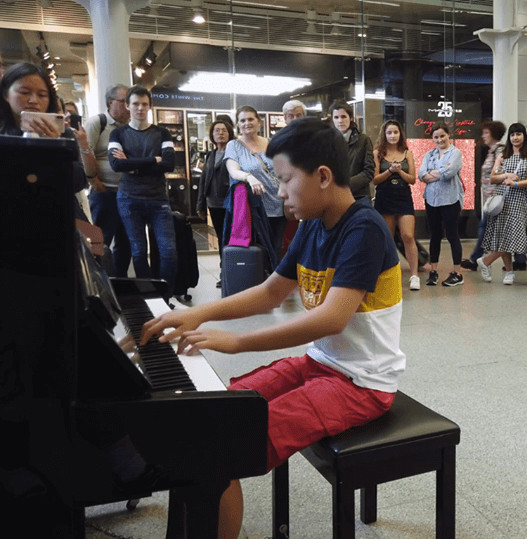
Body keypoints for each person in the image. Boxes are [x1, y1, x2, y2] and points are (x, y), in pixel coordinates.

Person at [138, 118, 405, 539]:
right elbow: (269, 293)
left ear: (322, 177)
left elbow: (330, 318)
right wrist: (197, 314)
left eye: (284, 180)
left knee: (223, 450)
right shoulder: (314, 223)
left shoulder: (364, 228)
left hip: (362, 384)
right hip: (322, 363)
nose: (279, 192)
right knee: (214, 415)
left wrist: (238, 342)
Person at [0, 62, 94, 221]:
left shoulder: (60, 134)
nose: (33, 100)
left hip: (55, 219)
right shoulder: (3, 134)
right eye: (24, 92)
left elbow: (78, 182)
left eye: (42, 95)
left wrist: (54, 146)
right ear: (5, 95)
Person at [108, 86, 177, 287]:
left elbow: (168, 164)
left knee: (168, 252)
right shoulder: (118, 134)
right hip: (129, 199)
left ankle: (165, 296)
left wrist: (133, 165)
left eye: (144, 104)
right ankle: (149, 294)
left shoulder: (162, 133)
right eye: (136, 104)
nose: (140, 108)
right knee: (138, 252)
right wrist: (151, 160)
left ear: (150, 106)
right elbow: (117, 165)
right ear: (127, 106)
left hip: (158, 200)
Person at [477, 123, 527, 285]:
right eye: (512, 135)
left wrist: (517, 183)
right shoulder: (502, 155)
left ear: (524, 136)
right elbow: (493, 178)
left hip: (519, 200)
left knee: (514, 235)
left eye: (518, 134)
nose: (515, 138)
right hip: (502, 200)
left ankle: (486, 261)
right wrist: (507, 175)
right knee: (503, 235)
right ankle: (509, 272)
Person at [224, 105, 287, 258]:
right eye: (242, 120)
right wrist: (249, 177)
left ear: (259, 121)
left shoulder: (272, 143)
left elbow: (284, 170)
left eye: (251, 119)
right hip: (255, 209)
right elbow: (233, 171)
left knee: (278, 251)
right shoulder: (234, 146)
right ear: (238, 124)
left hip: (280, 206)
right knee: (259, 254)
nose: (247, 123)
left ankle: (274, 281)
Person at [84, 84, 131, 277]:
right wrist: (94, 181)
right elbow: (84, 152)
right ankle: (100, 282)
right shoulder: (98, 122)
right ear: (111, 102)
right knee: (101, 242)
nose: (128, 106)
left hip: (128, 194)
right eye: (124, 102)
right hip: (105, 193)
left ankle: (121, 283)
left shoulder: (131, 126)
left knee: (126, 242)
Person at [372, 120, 419, 290]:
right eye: (389, 132)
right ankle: (389, 273)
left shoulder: (407, 154)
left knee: (408, 235)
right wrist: (389, 171)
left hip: (404, 197)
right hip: (384, 198)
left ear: (400, 134)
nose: (393, 136)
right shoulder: (377, 153)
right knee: (387, 238)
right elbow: (375, 180)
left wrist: (399, 171)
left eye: (396, 132)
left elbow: (412, 180)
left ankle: (414, 275)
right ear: (384, 134)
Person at [418, 123, 464, 287]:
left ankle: (457, 273)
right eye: (436, 137)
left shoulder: (455, 153)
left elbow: (450, 172)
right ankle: (433, 271)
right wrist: (438, 173)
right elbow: (421, 175)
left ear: (448, 135)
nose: (439, 139)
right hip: (431, 199)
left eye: (442, 136)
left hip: (450, 200)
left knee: (452, 235)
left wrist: (432, 174)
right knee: (434, 236)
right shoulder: (429, 154)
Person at [196, 119, 235, 288]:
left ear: (230, 133)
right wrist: (200, 204)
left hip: (231, 203)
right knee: (221, 239)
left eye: (224, 130)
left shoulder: (235, 153)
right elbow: (204, 180)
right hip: (213, 202)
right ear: (212, 135)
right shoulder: (210, 155)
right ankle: (224, 272)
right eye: (217, 130)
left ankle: (231, 273)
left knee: (230, 239)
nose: (220, 133)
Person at [462, 120, 506, 269]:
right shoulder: (491, 151)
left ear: (494, 134)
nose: (483, 135)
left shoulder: (499, 151)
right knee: (503, 229)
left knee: (484, 227)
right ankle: (520, 260)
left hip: (497, 198)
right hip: (491, 198)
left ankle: (475, 259)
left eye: (486, 132)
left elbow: (500, 173)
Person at [330, 101, 375, 200]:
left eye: (343, 116)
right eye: (336, 117)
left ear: (350, 118)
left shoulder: (363, 140)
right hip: (334, 196)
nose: (340, 121)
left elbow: (369, 172)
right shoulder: (326, 142)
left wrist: (345, 185)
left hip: (359, 196)